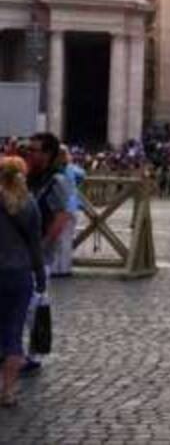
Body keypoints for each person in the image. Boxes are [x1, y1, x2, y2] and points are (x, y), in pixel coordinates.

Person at [22, 133, 69, 375]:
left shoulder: (57, 180)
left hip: (39, 253)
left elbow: (61, 216)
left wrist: (42, 246)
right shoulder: (28, 177)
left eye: (35, 149)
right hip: (18, 251)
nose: (29, 153)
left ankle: (35, 354)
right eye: (28, 149)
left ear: (48, 154)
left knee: (34, 304)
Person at [0, 157, 45, 409]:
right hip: (19, 274)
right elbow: (35, 246)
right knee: (14, 333)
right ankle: (7, 392)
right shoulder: (29, 205)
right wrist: (40, 277)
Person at [51, 147, 85, 277]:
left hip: (56, 206)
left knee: (55, 238)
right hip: (70, 206)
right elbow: (82, 174)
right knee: (67, 239)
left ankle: (54, 268)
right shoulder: (71, 168)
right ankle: (65, 268)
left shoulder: (51, 168)